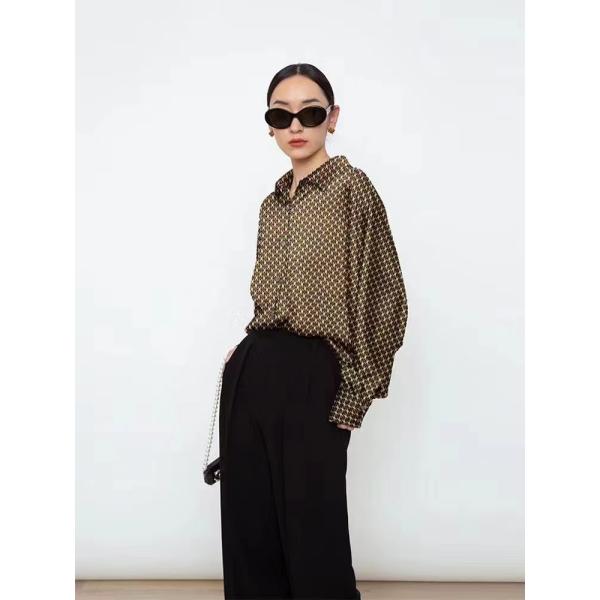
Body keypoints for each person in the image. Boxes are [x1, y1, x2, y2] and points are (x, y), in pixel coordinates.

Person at [218, 62, 409, 600]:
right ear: (270, 126)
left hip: (314, 375)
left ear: (333, 117)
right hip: (254, 370)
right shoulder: (271, 204)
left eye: (310, 112)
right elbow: (271, 297)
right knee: (250, 526)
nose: (296, 125)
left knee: (313, 530)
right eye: (282, 115)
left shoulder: (352, 190)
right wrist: (244, 352)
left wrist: (356, 395)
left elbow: (387, 299)